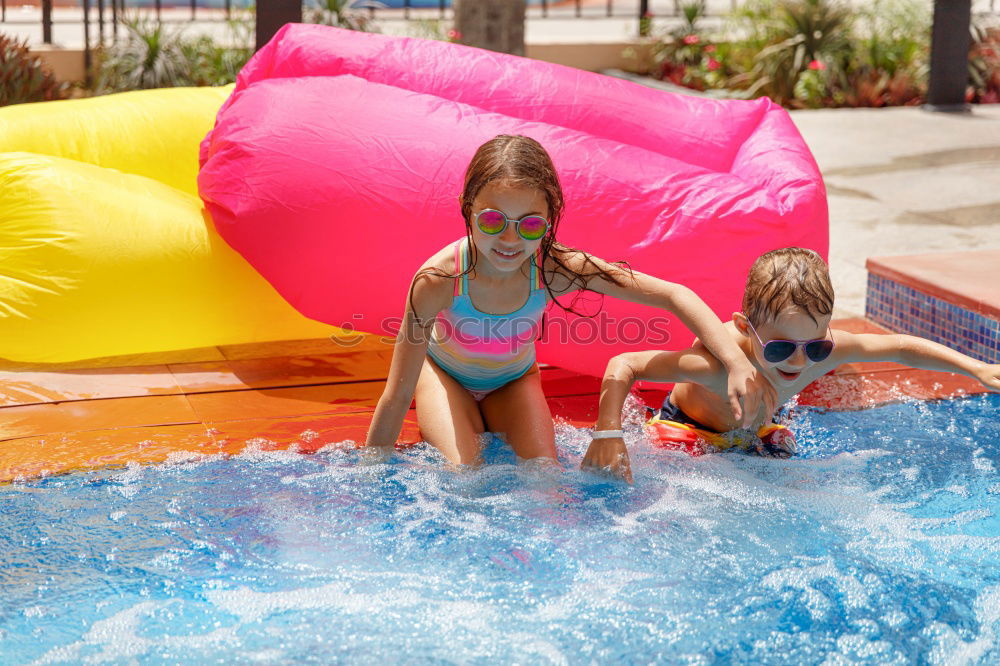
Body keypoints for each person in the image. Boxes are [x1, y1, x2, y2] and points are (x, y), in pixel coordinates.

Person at [365, 134, 770, 467]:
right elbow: (398, 393)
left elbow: (673, 295)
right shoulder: (439, 279)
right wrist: (371, 476)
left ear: (550, 218)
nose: (510, 240)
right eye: (492, 220)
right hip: (445, 377)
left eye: (530, 225)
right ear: (467, 210)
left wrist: (735, 362)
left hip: (513, 381)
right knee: (463, 478)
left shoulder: (554, 269)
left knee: (544, 479)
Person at [582, 247, 1000, 481]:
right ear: (746, 329)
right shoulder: (715, 365)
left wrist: (977, 369)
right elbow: (625, 364)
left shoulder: (829, 348)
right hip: (690, 430)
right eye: (780, 349)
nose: (800, 361)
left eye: (815, 347)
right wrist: (608, 433)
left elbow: (900, 348)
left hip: (753, 430)